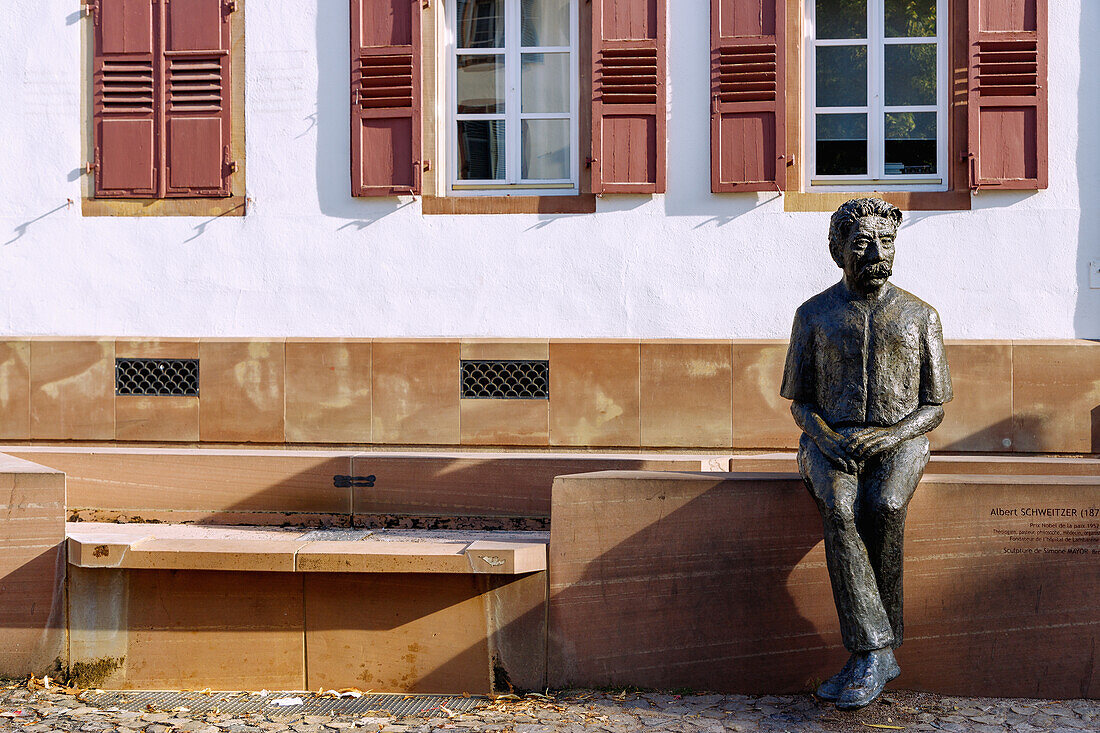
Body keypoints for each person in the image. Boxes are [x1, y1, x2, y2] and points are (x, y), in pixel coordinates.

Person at [781, 197, 952, 709]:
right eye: (862, 243)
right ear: (838, 251)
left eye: (886, 241)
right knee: (839, 505)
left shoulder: (922, 316)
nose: (878, 252)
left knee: (886, 505)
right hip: (828, 440)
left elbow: (934, 407)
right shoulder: (812, 316)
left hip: (901, 438)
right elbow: (800, 403)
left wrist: (893, 435)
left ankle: (874, 650)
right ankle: (876, 649)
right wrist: (828, 439)